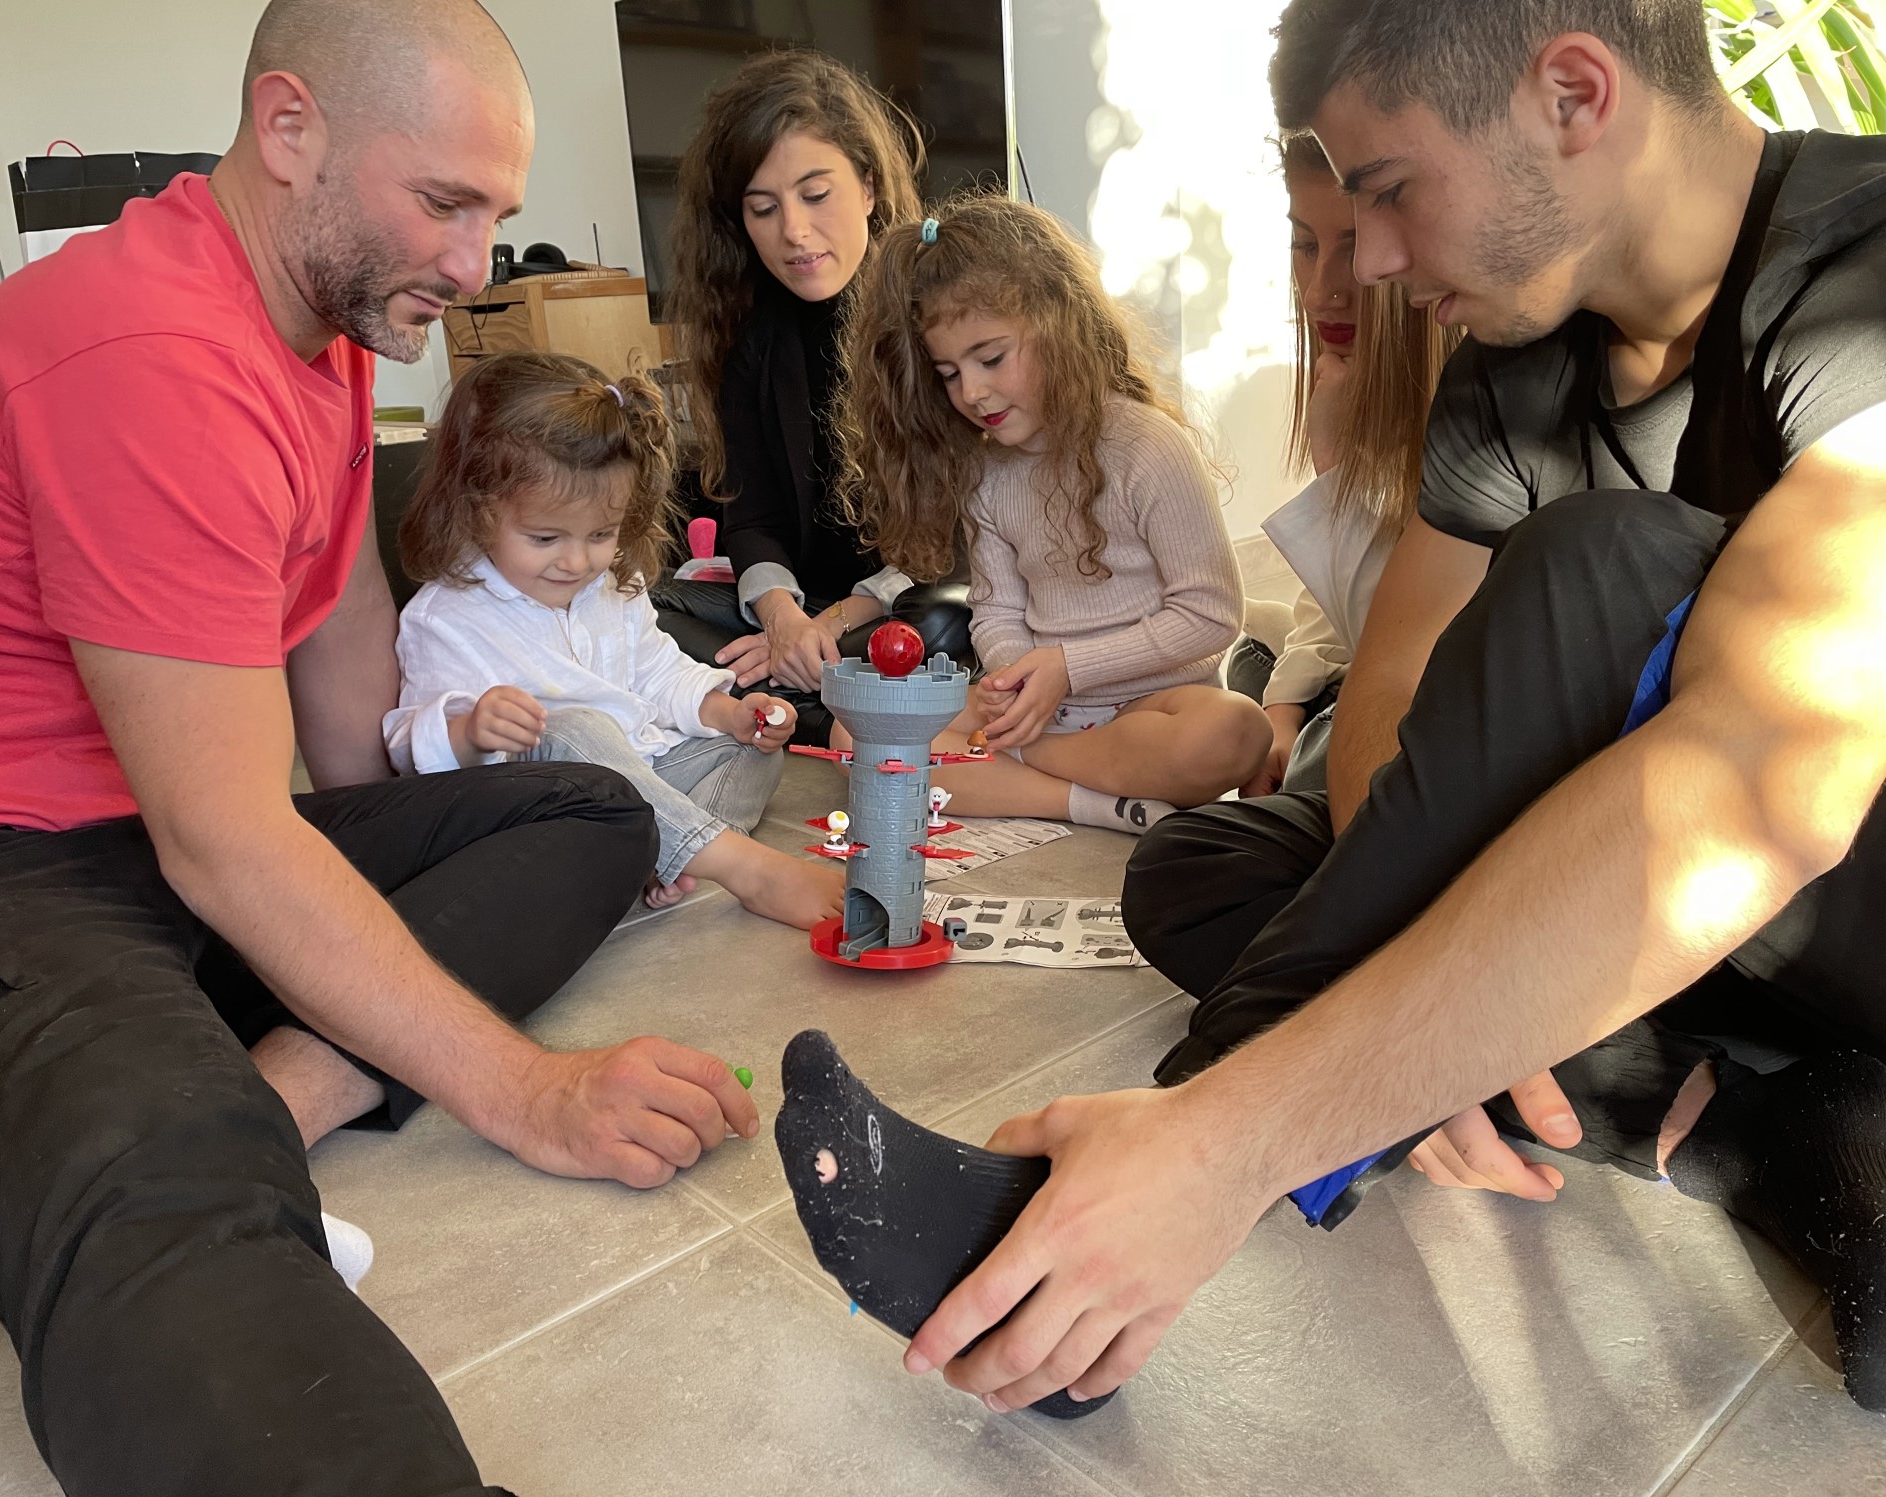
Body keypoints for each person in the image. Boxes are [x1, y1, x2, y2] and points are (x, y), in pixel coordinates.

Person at [774, 0, 1886, 1419]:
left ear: (1573, 94)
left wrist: (1235, 1140)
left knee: (1610, 558)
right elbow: (1393, 699)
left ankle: (1148, 1161)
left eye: (1388, 191)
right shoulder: (1517, 356)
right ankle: (1765, 1125)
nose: (1365, 263)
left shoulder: (1858, 274)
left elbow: (1760, 779)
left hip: (1828, 887)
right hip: (1675, 932)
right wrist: (1436, 974)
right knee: (1201, 867)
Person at [0, 3, 756, 1497]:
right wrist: (522, 1091)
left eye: (497, 216)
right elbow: (224, 836)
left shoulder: (319, 319)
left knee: (588, 811)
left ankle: (276, 1097)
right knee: (144, 1155)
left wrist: (386, 876)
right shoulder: (151, 350)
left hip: (154, 838)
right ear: (291, 130)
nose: (476, 265)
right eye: (447, 203)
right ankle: (203, 1130)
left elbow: (337, 638)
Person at [1125, 133, 1457, 994]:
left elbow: (1406, 650)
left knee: (1267, 828)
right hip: (1349, 710)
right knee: (1187, 854)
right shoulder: (1359, 384)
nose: (1322, 288)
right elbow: (1328, 614)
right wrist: (1281, 705)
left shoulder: (1485, 426)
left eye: (1352, 243)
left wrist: (1335, 467)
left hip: (1426, 751)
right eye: (1305, 245)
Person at [833, 194, 1271, 834]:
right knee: (854, 732)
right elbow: (997, 612)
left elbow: (1211, 615)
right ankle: (1099, 803)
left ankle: (1022, 764)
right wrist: (1014, 685)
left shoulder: (1148, 445)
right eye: (949, 373)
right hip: (1045, 711)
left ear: (1059, 325)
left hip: (1151, 707)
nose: (972, 392)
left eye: (991, 358)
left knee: (1235, 731)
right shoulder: (985, 471)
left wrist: (1067, 671)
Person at [385, 351, 844, 928]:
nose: (577, 561)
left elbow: (658, 672)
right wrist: (470, 731)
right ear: (477, 511)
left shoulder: (611, 588)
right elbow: (407, 747)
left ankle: (663, 854)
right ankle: (740, 867)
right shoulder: (445, 615)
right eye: (545, 538)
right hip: (543, 809)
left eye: (601, 534)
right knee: (572, 727)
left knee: (753, 753)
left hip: (642, 779)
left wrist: (728, 713)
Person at [652, 49, 972, 729]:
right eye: (763, 208)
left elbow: (957, 537)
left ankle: (773, 696)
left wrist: (826, 625)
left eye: (816, 195)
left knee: (940, 624)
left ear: (869, 187)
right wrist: (782, 619)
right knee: (644, 610)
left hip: (891, 603)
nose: (793, 232)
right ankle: (824, 698)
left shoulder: (937, 317)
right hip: (801, 611)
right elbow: (752, 517)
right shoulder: (743, 330)